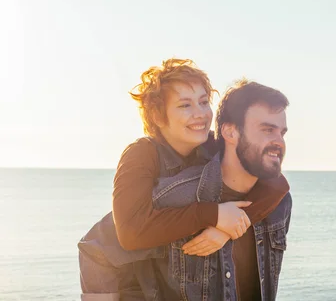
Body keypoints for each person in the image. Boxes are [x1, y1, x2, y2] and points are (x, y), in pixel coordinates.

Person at [78, 59, 290, 300]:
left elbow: (277, 184)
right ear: (158, 116)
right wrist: (214, 215)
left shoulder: (211, 145)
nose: (200, 114)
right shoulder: (142, 155)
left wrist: (229, 230)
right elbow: (130, 232)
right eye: (185, 105)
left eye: (203, 102)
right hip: (110, 267)